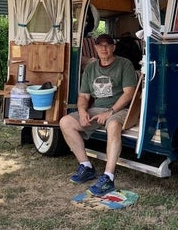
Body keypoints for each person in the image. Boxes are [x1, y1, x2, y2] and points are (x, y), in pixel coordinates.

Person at [59, 33, 138, 196]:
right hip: (97, 109)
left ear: (113, 47)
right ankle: (86, 166)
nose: (104, 48)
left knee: (113, 125)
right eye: (100, 45)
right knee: (65, 122)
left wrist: (110, 112)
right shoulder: (91, 68)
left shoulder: (124, 64)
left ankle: (108, 177)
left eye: (107, 45)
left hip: (121, 110)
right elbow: (84, 96)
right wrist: (82, 112)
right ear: (95, 48)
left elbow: (129, 93)